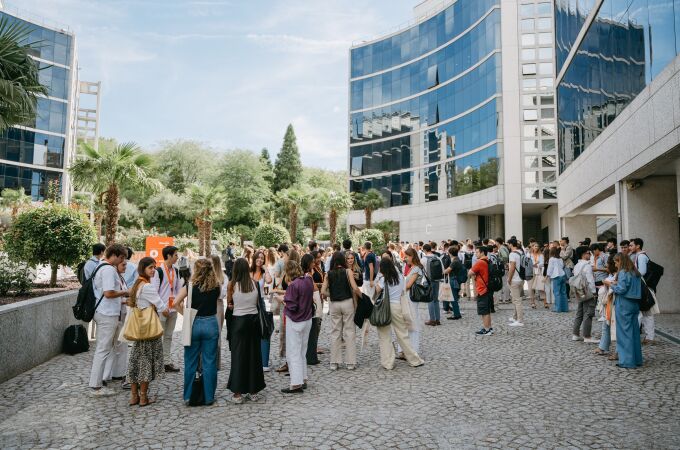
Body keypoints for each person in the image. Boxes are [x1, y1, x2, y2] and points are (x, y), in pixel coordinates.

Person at [175, 259, 221, 406]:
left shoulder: (190, 286)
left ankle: (189, 395)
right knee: (210, 362)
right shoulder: (216, 286)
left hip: (194, 323)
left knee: (190, 361)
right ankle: (208, 397)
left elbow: (176, 303)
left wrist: (186, 315)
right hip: (211, 323)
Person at [88, 244, 129, 396]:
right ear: (115, 255)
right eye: (122, 258)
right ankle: (96, 386)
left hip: (105, 312)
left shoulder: (100, 266)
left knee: (104, 348)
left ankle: (98, 382)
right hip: (107, 313)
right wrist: (126, 292)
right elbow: (109, 293)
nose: (122, 261)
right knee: (103, 349)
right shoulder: (108, 269)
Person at [126, 257, 167, 406]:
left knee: (135, 362)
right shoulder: (147, 286)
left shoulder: (137, 284)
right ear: (143, 268)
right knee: (146, 363)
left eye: (154, 267)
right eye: (150, 267)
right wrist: (168, 311)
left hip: (138, 330)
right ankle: (143, 397)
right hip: (149, 329)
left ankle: (133, 396)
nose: (153, 270)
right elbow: (160, 305)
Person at [226, 258, 266, 404]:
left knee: (238, 356)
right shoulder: (254, 283)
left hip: (238, 321)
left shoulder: (232, 285)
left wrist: (233, 306)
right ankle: (253, 391)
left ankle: (237, 393)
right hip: (253, 321)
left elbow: (230, 304)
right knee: (254, 355)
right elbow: (257, 303)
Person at [374, 257, 424, 369]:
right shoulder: (400, 277)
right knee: (403, 334)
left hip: (385, 307)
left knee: (385, 336)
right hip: (397, 306)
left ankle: (388, 363)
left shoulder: (383, 279)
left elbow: (376, 291)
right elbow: (403, 291)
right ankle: (414, 360)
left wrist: (378, 279)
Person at [321, 252, 361, 371]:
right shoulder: (348, 271)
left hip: (334, 304)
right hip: (347, 302)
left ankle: (334, 362)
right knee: (350, 332)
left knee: (335, 332)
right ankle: (350, 363)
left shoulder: (328, 274)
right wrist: (362, 297)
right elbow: (354, 288)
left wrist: (331, 294)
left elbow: (323, 291)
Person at [604, 253, 643, 369]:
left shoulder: (623, 272)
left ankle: (627, 361)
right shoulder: (635, 272)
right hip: (635, 304)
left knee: (624, 333)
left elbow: (621, 289)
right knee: (634, 333)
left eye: (616, 262)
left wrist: (610, 284)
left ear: (620, 261)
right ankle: (637, 359)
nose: (615, 265)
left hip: (624, 303)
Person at [281, 260, 314, 393]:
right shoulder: (308, 280)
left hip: (296, 321)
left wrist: (282, 300)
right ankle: (303, 378)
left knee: (293, 353)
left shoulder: (293, 285)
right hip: (307, 319)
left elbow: (292, 306)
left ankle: (296, 383)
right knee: (302, 352)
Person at [152, 245, 182, 373]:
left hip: (173, 309)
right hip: (161, 309)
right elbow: (154, 292)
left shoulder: (176, 271)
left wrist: (178, 303)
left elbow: (178, 289)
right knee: (158, 337)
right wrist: (161, 307)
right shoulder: (158, 271)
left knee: (169, 336)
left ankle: (166, 362)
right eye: (175, 255)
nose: (177, 257)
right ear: (169, 256)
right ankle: (157, 363)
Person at [629, 238, 657, 345]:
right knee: (644, 312)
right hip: (643, 287)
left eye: (631, 245)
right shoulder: (640, 256)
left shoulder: (640, 256)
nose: (630, 247)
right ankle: (649, 336)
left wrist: (631, 270)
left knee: (644, 312)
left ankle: (648, 337)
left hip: (643, 287)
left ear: (638, 246)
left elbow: (642, 272)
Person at [250, 250, 273, 371]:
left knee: (264, 331)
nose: (260, 260)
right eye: (258, 258)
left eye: (262, 258)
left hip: (260, 304)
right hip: (249, 305)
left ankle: (264, 362)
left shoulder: (264, 273)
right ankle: (253, 359)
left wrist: (266, 268)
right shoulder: (249, 272)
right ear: (254, 259)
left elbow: (269, 281)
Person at [571, 246, 598, 343]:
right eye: (588, 253)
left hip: (579, 291)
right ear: (584, 254)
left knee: (579, 312)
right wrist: (594, 293)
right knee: (588, 313)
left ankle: (575, 334)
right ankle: (587, 336)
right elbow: (590, 280)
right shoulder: (587, 266)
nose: (590, 255)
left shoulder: (577, 265)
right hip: (588, 291)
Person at [594, 256, 618, 357]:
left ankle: (618, 351)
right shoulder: (612, 274)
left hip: (614, 303)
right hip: (609, 303)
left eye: (608, 263)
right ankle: (602, 347)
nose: (606, 265)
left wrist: (608, 284)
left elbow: (618, 287)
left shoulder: (618, 275)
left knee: (615, 327)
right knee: (606, 325)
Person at [404, 248, 426, 351]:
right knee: (408, 322)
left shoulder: (417, 268)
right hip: (407, 297)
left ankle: (414, 349)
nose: (405, 258)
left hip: (412, 297)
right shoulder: (411, 267)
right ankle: (408, 349)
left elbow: (408, 285)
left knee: (413, 322)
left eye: (407, 256)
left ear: (412, 256)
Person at [469, 245, 494, 335]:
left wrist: (475, 275)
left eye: (477, 252)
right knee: (487, 310)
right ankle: (489, 328)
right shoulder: (488, 260)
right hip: (488, 288)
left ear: (482, 252)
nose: (476, 254)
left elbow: (470, 272)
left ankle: (486, 329)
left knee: (484, 311)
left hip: (482, 289)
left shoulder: (480, 262)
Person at [210, 255, 227, 370]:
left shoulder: (223, 277)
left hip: (218, 305)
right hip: (208, 304)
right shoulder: (205, 276)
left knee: (217, 334)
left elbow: (222, 294)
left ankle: (216, 363)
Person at [421, 243, 441, 326]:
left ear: (425, 250)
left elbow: (420, 271)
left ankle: (432, 320)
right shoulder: (437, 258)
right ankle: (437, 319)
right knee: (436, 300)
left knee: (430, 300)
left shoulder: (423, 259)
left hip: (427, 281)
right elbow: (442, 270)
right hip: (436, 281)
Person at [506, 238, 524, 327]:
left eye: (508, 244)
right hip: (521, 279)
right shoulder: (521, 252)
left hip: (515, 280)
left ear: (510, 244)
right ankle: (515, 317)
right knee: (516, 299)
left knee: (517, 301)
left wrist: (509, 279)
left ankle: (520, 320)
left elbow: (512, 268)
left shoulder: (512, 254)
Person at [443, 245, 464, 320]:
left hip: (453, 281)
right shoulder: (457, 259)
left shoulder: (454, 261)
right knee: (454, 298)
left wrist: (442, 271)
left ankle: (457, 314)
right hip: (456, 280)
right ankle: (456, 313)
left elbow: (447, 271)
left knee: (453, 298)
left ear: (450, 253)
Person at [547, 247, 568, 312]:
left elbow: (550, 268)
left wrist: (547, 276)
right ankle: (565, 308)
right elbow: (562, 266)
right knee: (563, 292)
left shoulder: (552, 259)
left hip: (556, 276)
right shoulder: (560, 259)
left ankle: (558, 308)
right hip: (563, 275)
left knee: (557, 293)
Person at [527, 243, 546, 309]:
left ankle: (545, 302)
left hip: (539, 272)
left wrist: (536, 264)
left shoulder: (541, 255)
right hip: (531, 272)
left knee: (541, 287)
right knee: (531, 288)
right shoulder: (529, 254)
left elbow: (542, 263)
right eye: (535, 246)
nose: (536, 247)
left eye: (537, 246)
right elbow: (527, 263)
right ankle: (532, 302)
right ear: (532, 247)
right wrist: (536, 263)